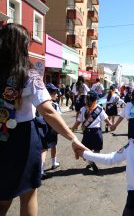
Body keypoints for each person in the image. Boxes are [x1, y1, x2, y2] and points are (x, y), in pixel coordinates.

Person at [0, 23, 87, 216]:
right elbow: (48, 112)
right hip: (22, 137)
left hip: (2, 135)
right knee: (29, 193)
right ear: (22, 46)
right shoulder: (28, 74)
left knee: (3, 197)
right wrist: (73, 138)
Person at [71, 90, 114, 172]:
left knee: (85, 149)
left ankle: (89, 160)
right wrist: (111, 125)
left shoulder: (83, 109)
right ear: (95, 100)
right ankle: (92, 160)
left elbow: (78, 121)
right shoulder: (99, 108)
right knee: (97, 149)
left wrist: (73, 128)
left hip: (87, 132)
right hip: (97, 132)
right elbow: (106, 119)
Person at [39, 83, 62, 180]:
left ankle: (52, 163)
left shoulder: (39, 104)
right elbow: (58, 118)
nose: (57, 94)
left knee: (45, 148)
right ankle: (42, 170)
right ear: (50, 94)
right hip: (51, 129)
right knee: (47, 148)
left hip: (40, 128)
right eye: (55, 93)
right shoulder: (55, 105)